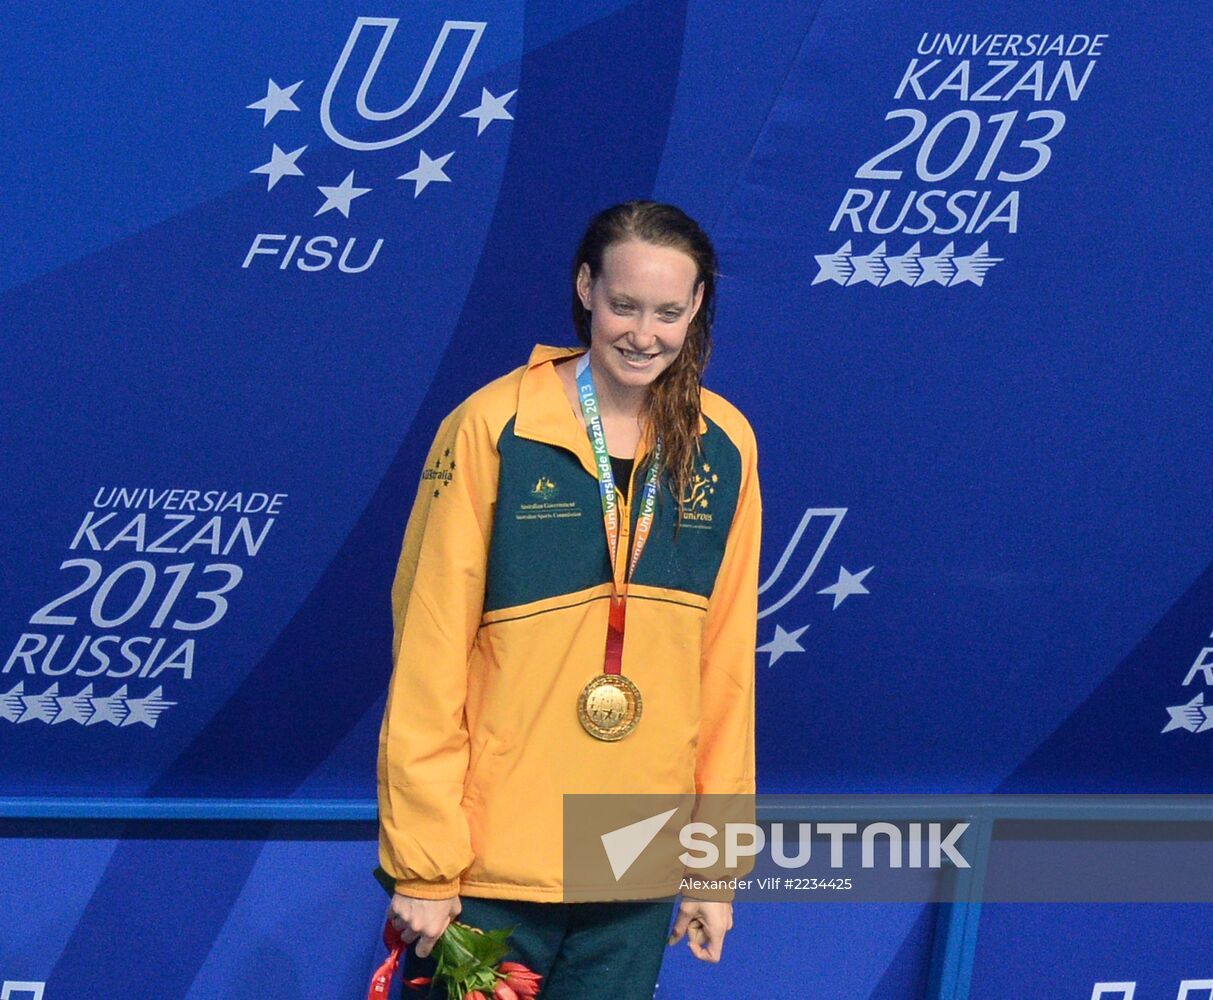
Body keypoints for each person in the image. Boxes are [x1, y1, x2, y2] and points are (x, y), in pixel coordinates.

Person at [378, 200, 761, 999]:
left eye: (667, 312)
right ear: (585, 287)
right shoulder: (493, 425)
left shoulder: (723, 442)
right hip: (490, 862)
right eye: (623, 305)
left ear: (697, 308)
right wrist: (422, 862)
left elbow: (725, 672)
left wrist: (714, 868)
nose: (642, 334)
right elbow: (428, 651)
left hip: (631, 861)